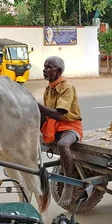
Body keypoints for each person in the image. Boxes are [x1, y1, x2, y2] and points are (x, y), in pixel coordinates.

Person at [38, 56, 82, 206]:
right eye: (44, 67)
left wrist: (37, 106)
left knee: (63, 144)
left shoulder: (67, 87)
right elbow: (45, 115)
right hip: (55, 126)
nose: (45, 70)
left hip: (70, 126)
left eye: (48, 67)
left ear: (58, 71)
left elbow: (59, 113)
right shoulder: (48, 89)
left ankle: (68, 183)